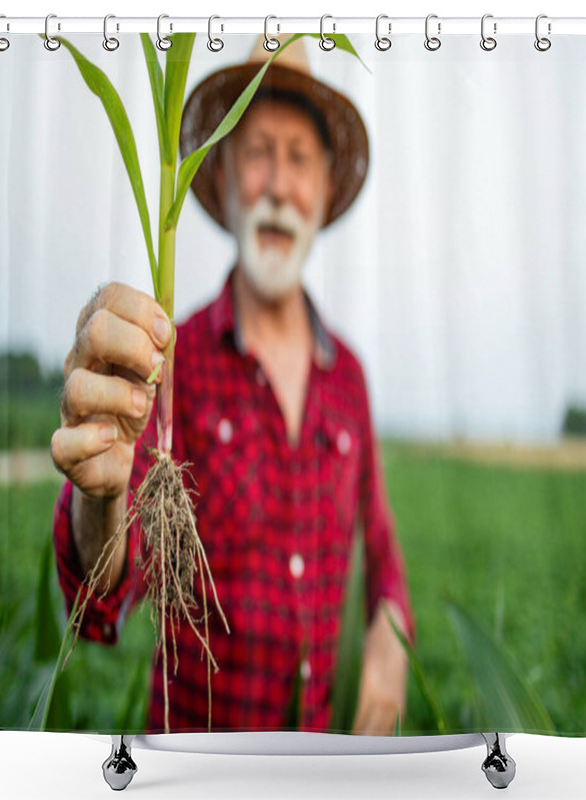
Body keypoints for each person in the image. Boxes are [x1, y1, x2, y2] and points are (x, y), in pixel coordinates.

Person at [50, 34, 415, 735]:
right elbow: (99, 598)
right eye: (258, 153)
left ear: (324, 190)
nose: (279, 184)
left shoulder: (351, 382)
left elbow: (383, 547)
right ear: (218, 178)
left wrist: (390, 636)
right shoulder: (168, 362)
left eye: (300, 158)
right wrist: (98, 499)